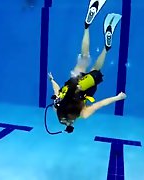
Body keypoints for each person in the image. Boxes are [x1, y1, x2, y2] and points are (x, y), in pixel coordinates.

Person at [48, 0, 126, 133]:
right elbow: (56, 91)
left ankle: (106, 49)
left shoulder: (82, 114)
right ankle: (87, 26)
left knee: (96, 69)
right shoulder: (57, 107)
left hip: (86, 86)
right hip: (74, 81)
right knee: (85, 56)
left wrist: (118, 98)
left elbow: (99, 105)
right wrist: (51, 80)